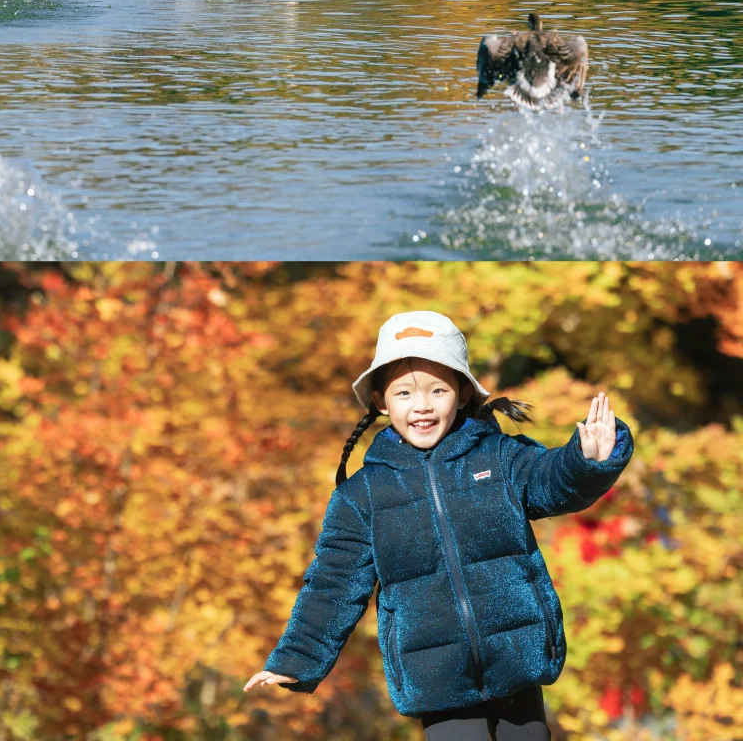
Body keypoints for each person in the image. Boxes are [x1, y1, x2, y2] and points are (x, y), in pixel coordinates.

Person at [243, 310, 633, 741]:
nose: (422, 406)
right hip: (436, 678)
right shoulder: (362, 495)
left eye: (438, 390)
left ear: (463, 393)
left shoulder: (499, 458)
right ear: (380, 402)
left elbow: (552, 482)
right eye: (404, 393)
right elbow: (333, 585)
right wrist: (295, 660)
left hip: (517, 658)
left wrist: (589, 460)